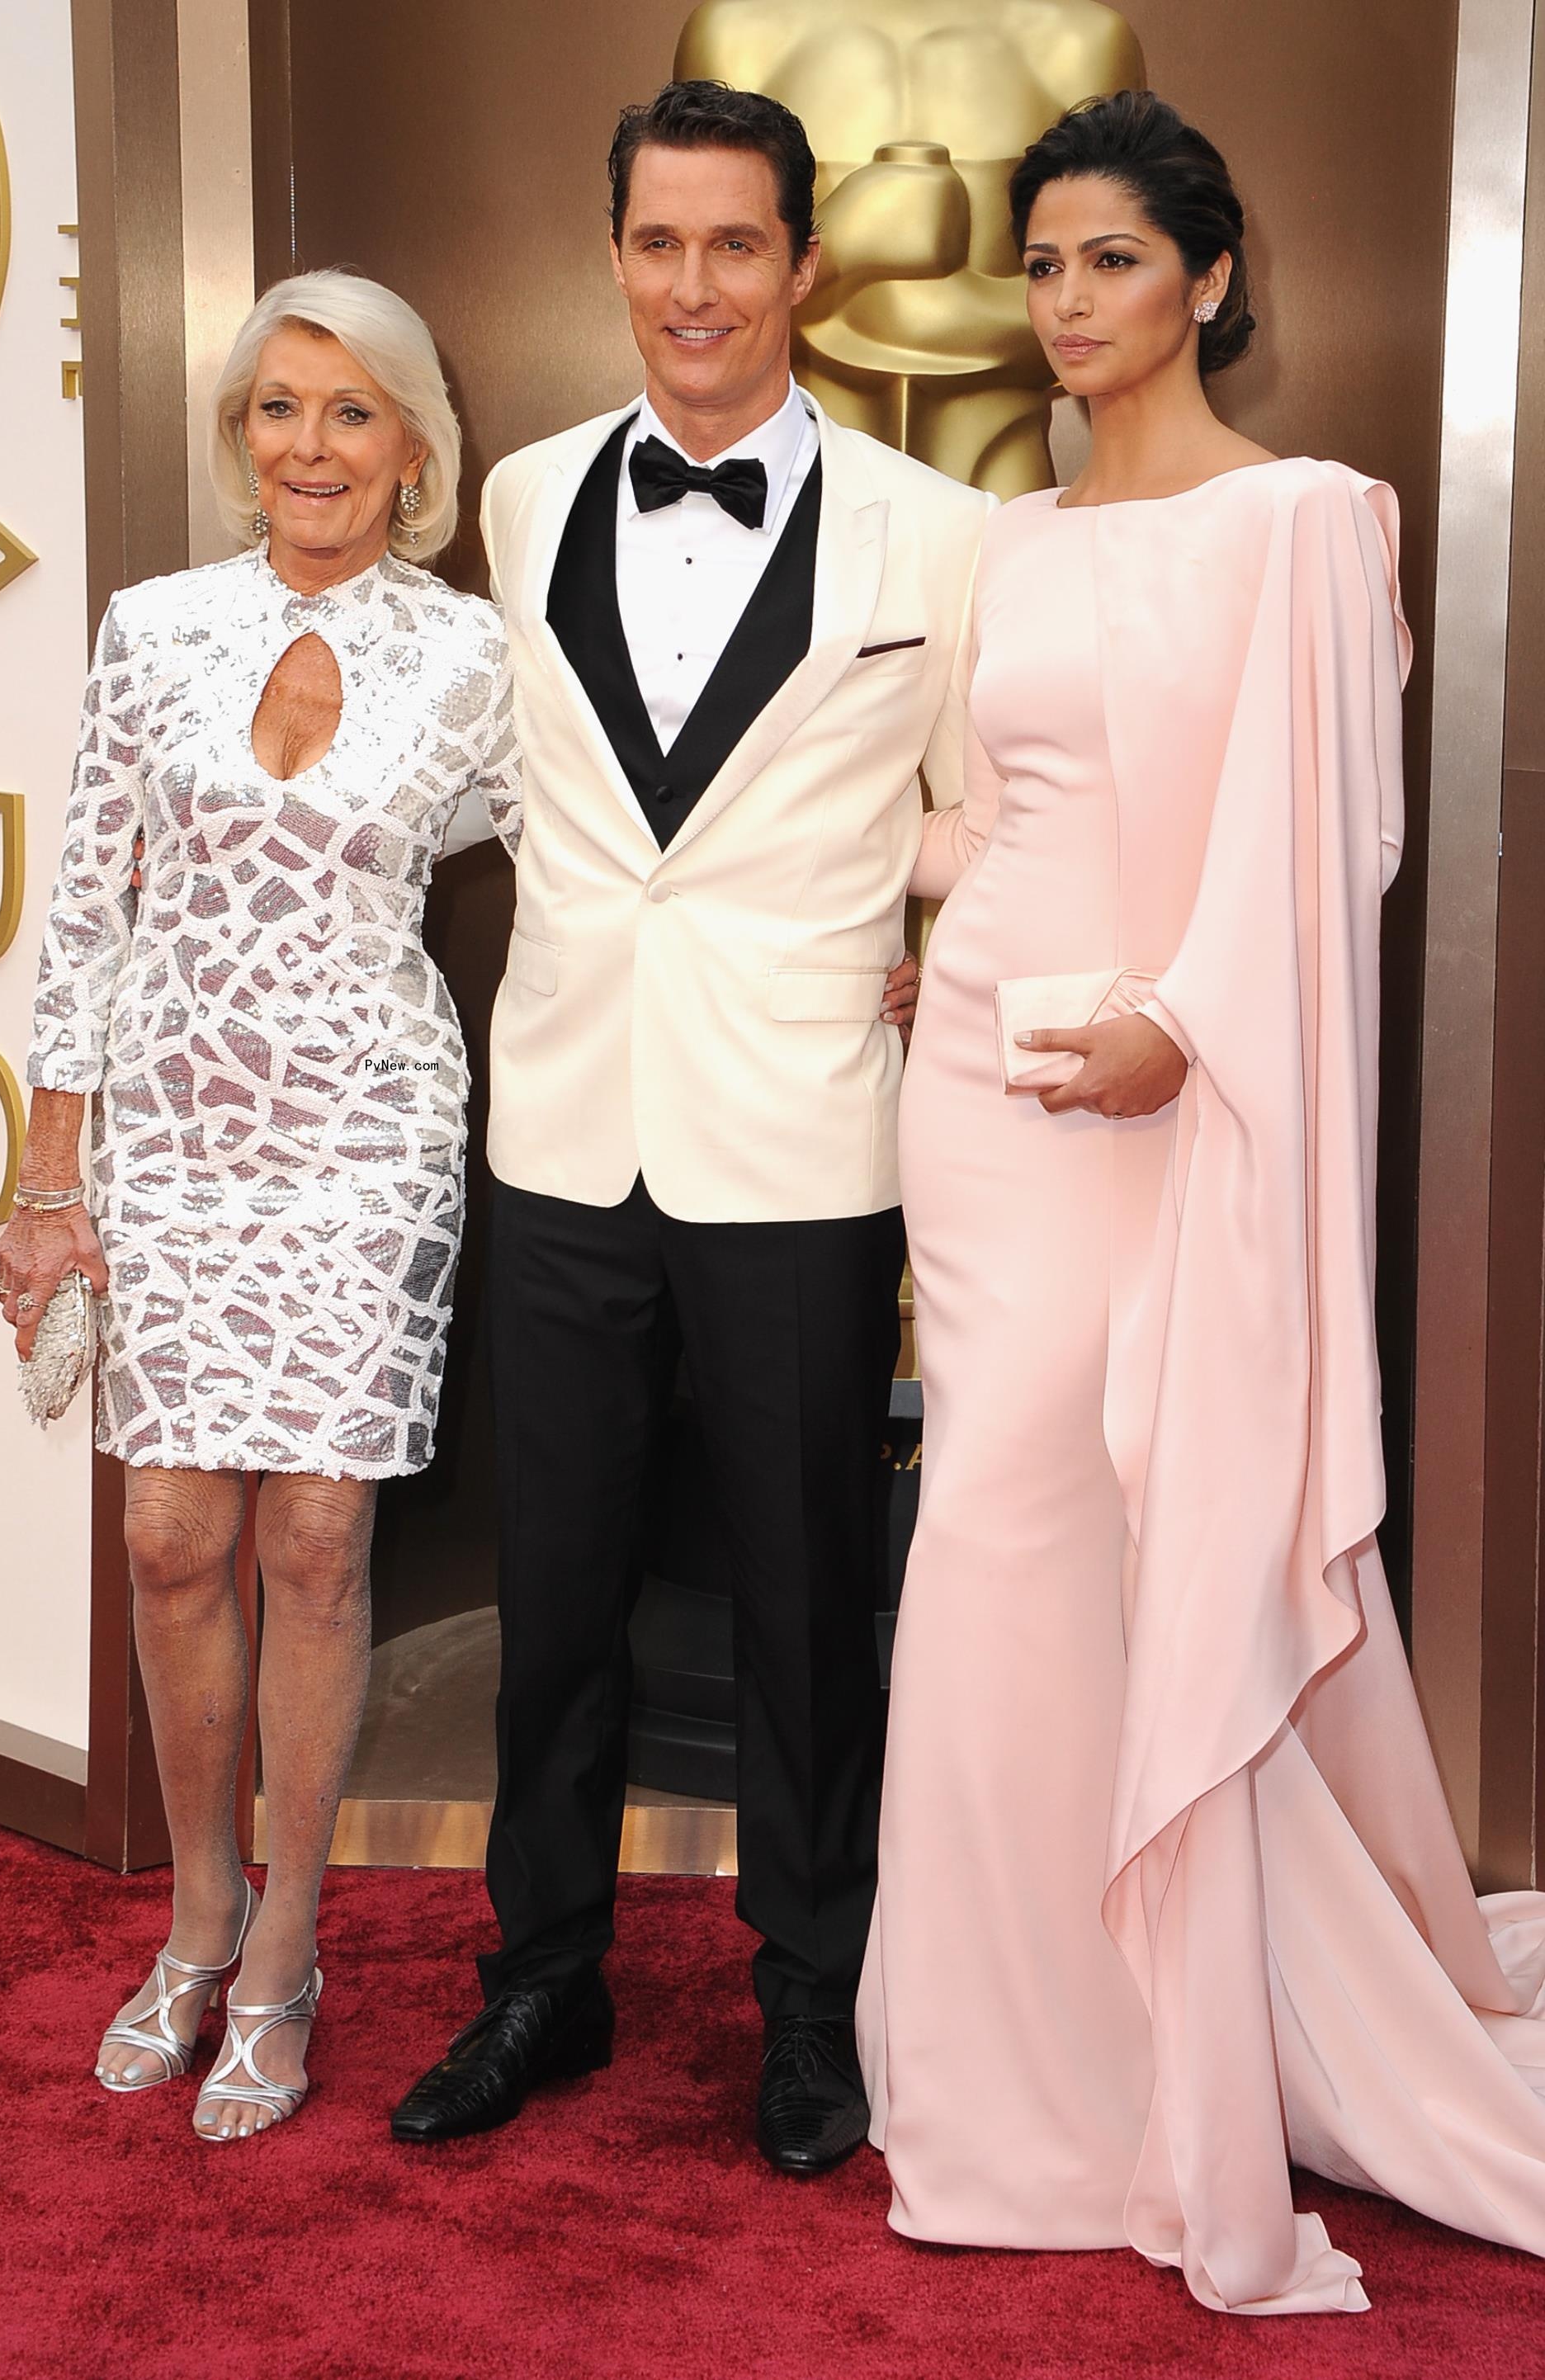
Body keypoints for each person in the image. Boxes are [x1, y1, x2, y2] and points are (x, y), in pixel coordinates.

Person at [858, 90, 1545, 2315]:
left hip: (1174, 1082)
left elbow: (1326, 846)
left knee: (1109, 1522)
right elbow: (997, 804)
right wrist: (905, 907)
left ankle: (1156, 2041)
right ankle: (997, 2054)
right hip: (980, 1086)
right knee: (989, 1534)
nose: (1066, 304)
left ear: (1212, 281)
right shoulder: (1016, 540)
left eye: (1113, 263)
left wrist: (1186, 1023)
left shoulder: (1310, 523)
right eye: (1041, 266)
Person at [391, 81, 988, 2174]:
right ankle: (541, 1977)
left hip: (808, 1131)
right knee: (551, 1589)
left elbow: (986, 807)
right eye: (660, 243)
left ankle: (817, 2005)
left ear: (803, 266)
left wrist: (945, 939)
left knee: (816, 1599)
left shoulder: (944, 535)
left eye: (738, 245)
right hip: (564, 1119)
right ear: (616, 253)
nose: (697, 286)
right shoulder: (531, 491)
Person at [0, 270, 520, 2143]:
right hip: (176, 1134)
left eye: (350, 410)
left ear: (412, 450)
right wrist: (47, 1171)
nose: (309, 445)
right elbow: (89, 910)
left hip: (367, 1132)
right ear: (242, 439)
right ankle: (199, 1910)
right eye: (277, 409)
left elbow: (613, 871)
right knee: (163, 1535)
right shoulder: (152, 630)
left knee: (312, 1537)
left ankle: (287, 1944)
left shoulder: (472, 657)